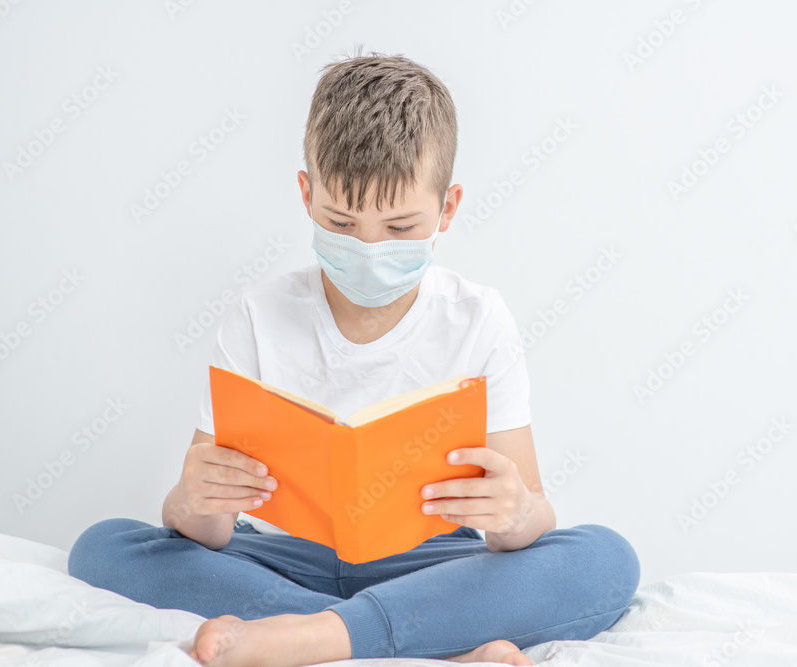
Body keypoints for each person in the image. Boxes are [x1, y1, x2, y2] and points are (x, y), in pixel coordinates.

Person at [67, 51, 640, 667]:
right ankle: (413, 641)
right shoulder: (259, 316)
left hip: (431, 565)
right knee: (104, 548)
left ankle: (308, 638)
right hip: (282, 558)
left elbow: (524, 524)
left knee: (604, 558)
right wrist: (190, 500)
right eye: (341, 222)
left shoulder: (479, 319)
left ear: (447, 208)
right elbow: (207, 530)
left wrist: (518, 512)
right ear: (306, 195)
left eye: (399, 228)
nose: (368, 248)